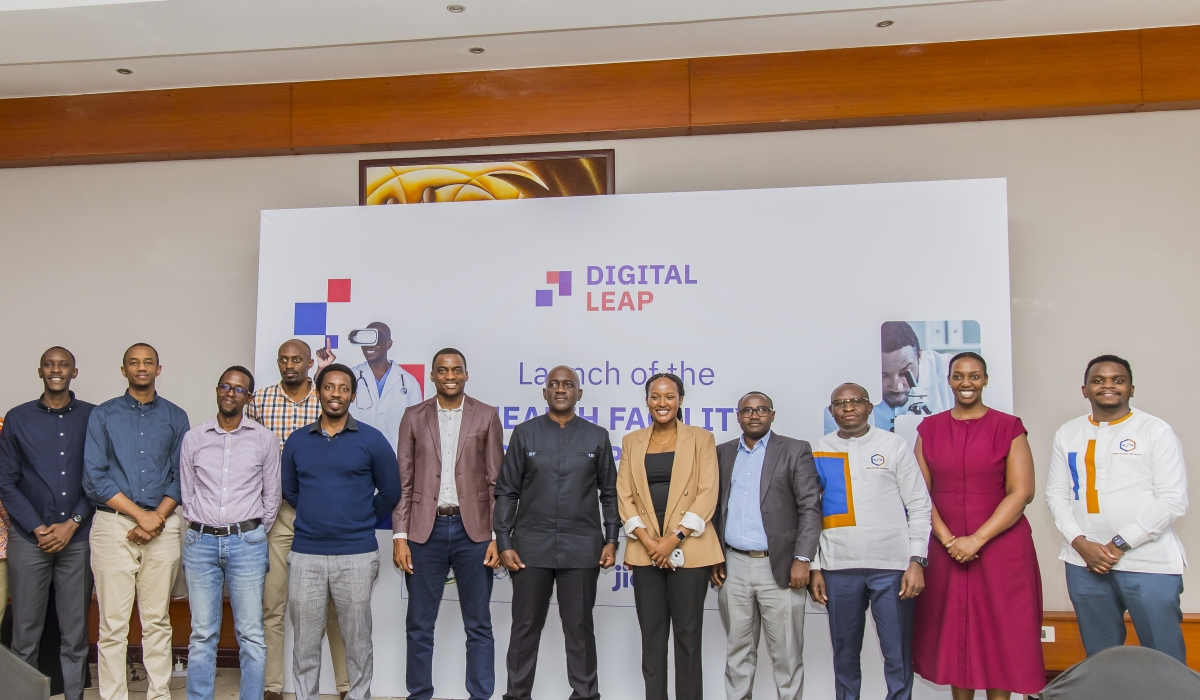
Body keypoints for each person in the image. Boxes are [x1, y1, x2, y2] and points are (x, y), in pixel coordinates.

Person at [912, 352, 1044, 700]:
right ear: (949, 381)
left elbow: (1022, 492)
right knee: (956, 631)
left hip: (1002, 547)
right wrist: (948, 539)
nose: (966, 383)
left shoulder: (1009, 427)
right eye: (958, 376)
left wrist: (976, 539)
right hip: (945, 548)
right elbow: (918, 494)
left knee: (1003, 632)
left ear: (985, 380)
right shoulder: (929, 429)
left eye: (974, 376)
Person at [1045, 355, 1188, 663]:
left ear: (1131, 389)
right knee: (1101, 659)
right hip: (1084, 563)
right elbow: (1056, 494)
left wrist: (1117, 545)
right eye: (1098, 380)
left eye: (1118, 380)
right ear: (1084, 390)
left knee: (1164, 659)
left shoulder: (1155, 430)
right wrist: (1080, 543)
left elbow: (1172, 499)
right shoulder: (1067, 432)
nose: (1108, 385)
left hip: (1148, 562)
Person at [494, 365, 620, 700]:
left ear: (579, 393)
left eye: (568, 384)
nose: (560, 389)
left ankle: (585, 695)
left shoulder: (597, 436)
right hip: (530, 548)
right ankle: (516, 696)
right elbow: (507, 491)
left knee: (579, 630)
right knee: (524, 629)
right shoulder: (524, 434)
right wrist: (504, 541)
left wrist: (611, 539)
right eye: (553, 384)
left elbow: (610, 493)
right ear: (545, 392)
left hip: (582, 549)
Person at [282, 362, 400, 700]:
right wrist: (316, 512)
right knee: (305, 644)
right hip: (306, 555)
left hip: (357, 555)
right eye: (329, 387)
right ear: (318, 392)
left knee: (358, 642)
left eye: (344, 388)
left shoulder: (372, 439)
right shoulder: (297, 441)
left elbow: (390, 491)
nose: (336, 394)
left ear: (353, 395)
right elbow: (290, 491)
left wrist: (359, 516)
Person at [392, 348, 504, 700]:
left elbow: (496, 482)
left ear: (466, 374)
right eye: (443, 370)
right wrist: (400, 535)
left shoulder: (486, 415)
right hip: (425, 532)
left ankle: (480, 695)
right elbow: (403, 482)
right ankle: (419, 694)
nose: (450, 375)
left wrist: (498, 536)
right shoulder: (413, 416)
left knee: (479, 623)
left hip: (476, 532)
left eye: (457, 370)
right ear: (432, 376)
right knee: (419, 625)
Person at [808, 383, 932, 700]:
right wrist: (815, 567)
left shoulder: (894, 445)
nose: (848, 408)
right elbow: (810, 513)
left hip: (892, 567)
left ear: (869, 407)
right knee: (845, 657)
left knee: (898, 656)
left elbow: (919, 505)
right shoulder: (818, 450)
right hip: (838, 567)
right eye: (840, 403)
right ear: (831, 410)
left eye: (856, 401)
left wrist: (917, 560)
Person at [83, 343, 191, 700]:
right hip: (113, 525)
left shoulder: (176, 416)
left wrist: (155, 518)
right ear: (123, 370)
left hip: (163, 524)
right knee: (112, 624)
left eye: (148, 362)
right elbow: (94, 478)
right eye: (134, 362)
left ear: (158, 369)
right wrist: (141, 516)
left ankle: (158, 694)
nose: (141, 367)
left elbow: (182, 475)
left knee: (157, 620)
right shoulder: (103, 415)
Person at [246, 339, 351, 700]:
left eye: (297, 360)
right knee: (272, 604)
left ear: (309, 364)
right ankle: (272, 685)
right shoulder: (259, 401)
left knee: (335, 605)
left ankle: (346, 685)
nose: (289, 365)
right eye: (283, 360)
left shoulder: (325, 398)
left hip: (322, 515)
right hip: (278, 514)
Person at [615, 373, 721, 700]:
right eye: (656, 396)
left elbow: (707, 493)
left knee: (688, 638)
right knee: (652, 638)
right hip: (645, 550)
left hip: (691, 549)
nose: (662, 403)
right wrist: (650, 543)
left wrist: (673, 539)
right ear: (647, 401)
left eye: (670, 396)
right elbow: (624, 496)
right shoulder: (631, 441)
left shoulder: (701, 438)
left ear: (680, 400)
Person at [712, 390, 822, 700]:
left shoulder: (795, 450)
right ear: (738, 417)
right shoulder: (722, 453)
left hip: (782, 566)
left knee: (786, 654)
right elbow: (714, 509)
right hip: (733, 566)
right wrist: (714, 556)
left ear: (772, 415)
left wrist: (803, 559)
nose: (754, 415)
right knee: (738, 652)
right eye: (747, 410)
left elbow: (810, 508)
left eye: (761, 409)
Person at [179, 366, 281, 700]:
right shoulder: (194, 438)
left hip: (246, 543)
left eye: (239, 389)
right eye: (225, 386)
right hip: (200, 543)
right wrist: (203, 524)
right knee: (202, 634)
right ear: (217, 390)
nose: (230, 393)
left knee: (251, 634)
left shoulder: (264, 440)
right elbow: (187, 494)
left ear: (248, 398)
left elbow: (272, 498)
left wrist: (250, 532)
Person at [0, 347, 95, 700]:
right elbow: (6, 481)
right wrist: (38, 528)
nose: (56, 370)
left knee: (75, 634)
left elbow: (98, 477)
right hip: (29, 540)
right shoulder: (18, 418)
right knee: (24, 634)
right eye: (49, 365)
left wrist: (72, 523)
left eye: (63, 365)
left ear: (74, 372)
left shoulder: (93, 416)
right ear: (40, 371)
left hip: (78, 539)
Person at [828, 321, 956, 434]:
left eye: (905, 372)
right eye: (884, 375)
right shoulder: (842, 382)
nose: (896, 387)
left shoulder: (952, 371)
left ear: (919, 356)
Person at [317, 321, 423, 452]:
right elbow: (324, 396)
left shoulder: (408, 381)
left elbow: (418, 426)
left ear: (388, 344)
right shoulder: (351, 376)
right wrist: (322, 369)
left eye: (376, 339)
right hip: (355, 452)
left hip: (394, 455)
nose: (369, 345)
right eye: (366, 339)